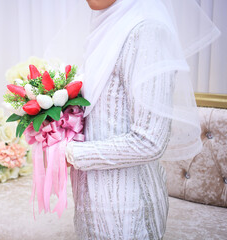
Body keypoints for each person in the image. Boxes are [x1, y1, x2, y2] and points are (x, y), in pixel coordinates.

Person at [55, 0, 220, 239]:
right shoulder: (106, 29)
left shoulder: (147, 33)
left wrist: (70, 153)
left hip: (128, 210)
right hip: (91, 201)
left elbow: (150, 141)